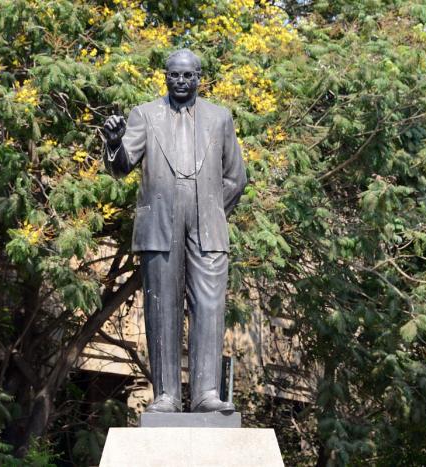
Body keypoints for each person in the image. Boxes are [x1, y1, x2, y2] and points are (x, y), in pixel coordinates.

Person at [103, 49, 247, 413]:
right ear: (165, 76)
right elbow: (122, 166)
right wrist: (114, 143)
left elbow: (236, 177)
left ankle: (206, 394)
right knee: (162, 306)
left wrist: (212, 211)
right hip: (160, 223)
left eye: (188, 75)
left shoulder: (220, 118)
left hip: (207, 224)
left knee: (210, 306)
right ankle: (165, 395)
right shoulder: (145, 115)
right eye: (174, 75)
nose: (181, 81)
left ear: (200, 77)